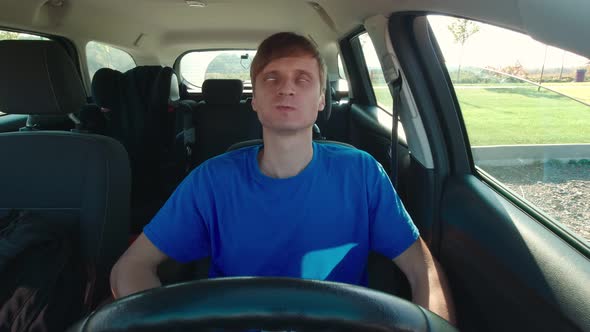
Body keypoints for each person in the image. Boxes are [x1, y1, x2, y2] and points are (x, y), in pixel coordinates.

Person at [110, 32, 455, 323]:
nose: (286, 89)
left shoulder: (362, 173)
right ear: (254, 100)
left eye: (302, 79)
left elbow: (422, 268)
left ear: (322, 99)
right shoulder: (211, 181)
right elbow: (132, 267)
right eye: (271, 78)